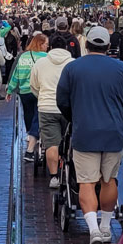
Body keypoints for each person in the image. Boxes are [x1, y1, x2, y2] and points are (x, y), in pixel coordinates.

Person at [56, 26, 123, 244]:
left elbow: (61, 100)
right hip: (113, 132)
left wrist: (74, 117)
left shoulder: (72, 68)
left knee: (86, 182)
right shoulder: (122, 69)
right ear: (108, 46)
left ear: (86, 45)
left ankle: (93, 229)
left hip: (84, 132)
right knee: (109, 179)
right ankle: (106, 227)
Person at [31, 35, 74, 187]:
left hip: (47, 107)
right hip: (69, 108)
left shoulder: (40, 63)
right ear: (67, 48)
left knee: (51, 143)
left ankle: (54, 177)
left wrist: (41, 96)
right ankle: (71, 171)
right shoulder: (73, 64)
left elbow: (34, 86)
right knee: (70, 140)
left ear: (50, 48)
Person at [7, 32, 47, 162]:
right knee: (38, 115)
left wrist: (10, 89)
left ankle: (31, 135)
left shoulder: (23, 56)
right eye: (46, 44)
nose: (47, 47)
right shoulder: (46, 58)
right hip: (40, 92)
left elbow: (16, 75)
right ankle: (34, 139)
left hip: (24, 91)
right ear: (40, 44)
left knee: (29, 115)